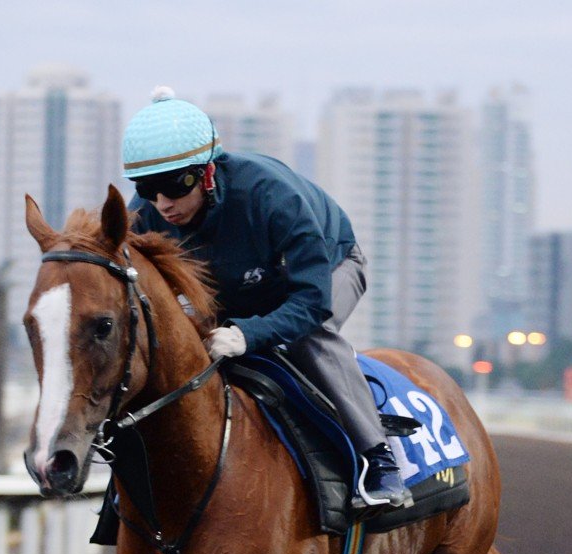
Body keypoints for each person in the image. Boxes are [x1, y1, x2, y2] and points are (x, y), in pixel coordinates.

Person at [121, 88, 409, 510]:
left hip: (327, 270)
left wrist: (246, 334)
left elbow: (312, 301)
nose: (163, 203)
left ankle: (378, 460)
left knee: (306, 337)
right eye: (148, 188)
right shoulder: (146, 215)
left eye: (175, 186)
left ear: (207, 173)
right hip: (239, 285)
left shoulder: (272, 196)